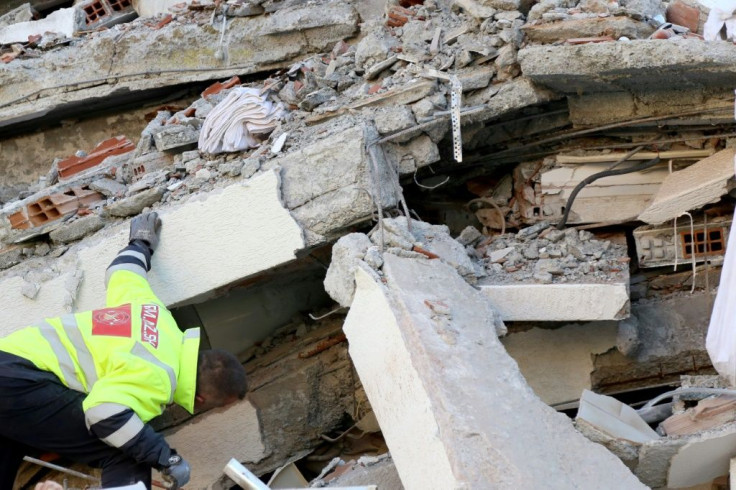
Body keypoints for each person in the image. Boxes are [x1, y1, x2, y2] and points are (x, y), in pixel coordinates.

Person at [0, 212, 248, 489]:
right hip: (22, 383)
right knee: (127, 451)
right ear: (199, 399)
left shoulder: (156, 316)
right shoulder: (160, 376)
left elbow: (123, 272)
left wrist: (140, 243)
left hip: (10, 363)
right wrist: (165, 457)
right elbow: (102, 412)